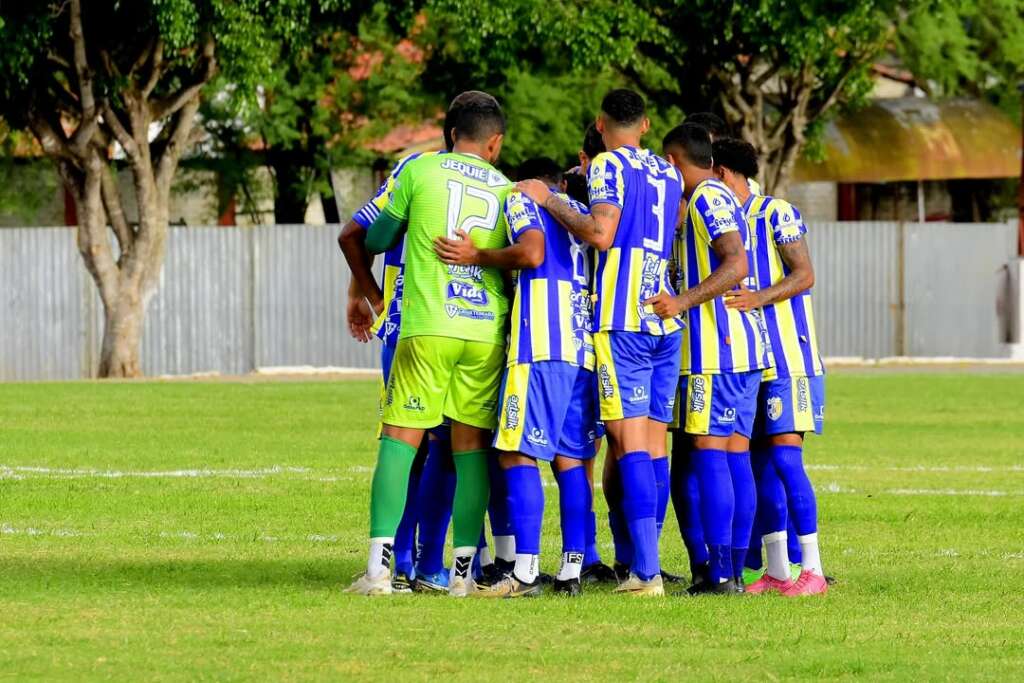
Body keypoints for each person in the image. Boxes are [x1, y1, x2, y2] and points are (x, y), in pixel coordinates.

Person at [344, 91, 513, 597]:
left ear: (448, 132)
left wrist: (369, 290)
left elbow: (366, 237)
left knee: (400, 442)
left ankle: (378, 572)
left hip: (427, 326)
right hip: (484, 332)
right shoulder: (508, 189)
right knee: (468, 451)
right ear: (496, 143)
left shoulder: (419, 171)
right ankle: (462, 576)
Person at [518, 89, 685, 597]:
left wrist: (549, 199)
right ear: (648, 125)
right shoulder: (669, 172)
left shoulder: (610, 164)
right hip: (663, 314)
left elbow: (601, 232)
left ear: (601, 123)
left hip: (622, 320)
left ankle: (646, 573)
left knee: (627, 441)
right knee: (654, 445)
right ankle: (639, 560)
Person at [434, 157, 600, 597]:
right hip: (582, 349)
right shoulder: (581, 212)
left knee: (515, 455)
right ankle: (571, 569)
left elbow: (532, 252)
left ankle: (523, 573)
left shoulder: (521, 200)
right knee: (572, 464)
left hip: (540, 349)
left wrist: (479, 255)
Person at [649, 123, 770, 594]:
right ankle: (733, 570)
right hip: (742, 349)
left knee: (709, 452)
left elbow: (736, 262)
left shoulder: (704, 197)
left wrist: (682, 301)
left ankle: (721, 571)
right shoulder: (717, 195)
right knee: (735, 454)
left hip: (713, 353)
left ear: (676, 162)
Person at [712, 136, 828, 597]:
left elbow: (805, 274)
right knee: (760, 461)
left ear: (720, 172)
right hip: (748, 361)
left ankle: (814, 570)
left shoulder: (775, 212)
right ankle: (779, 570)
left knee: (784, 455)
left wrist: (758, 297)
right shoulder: (722, 223)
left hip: (789, 357)